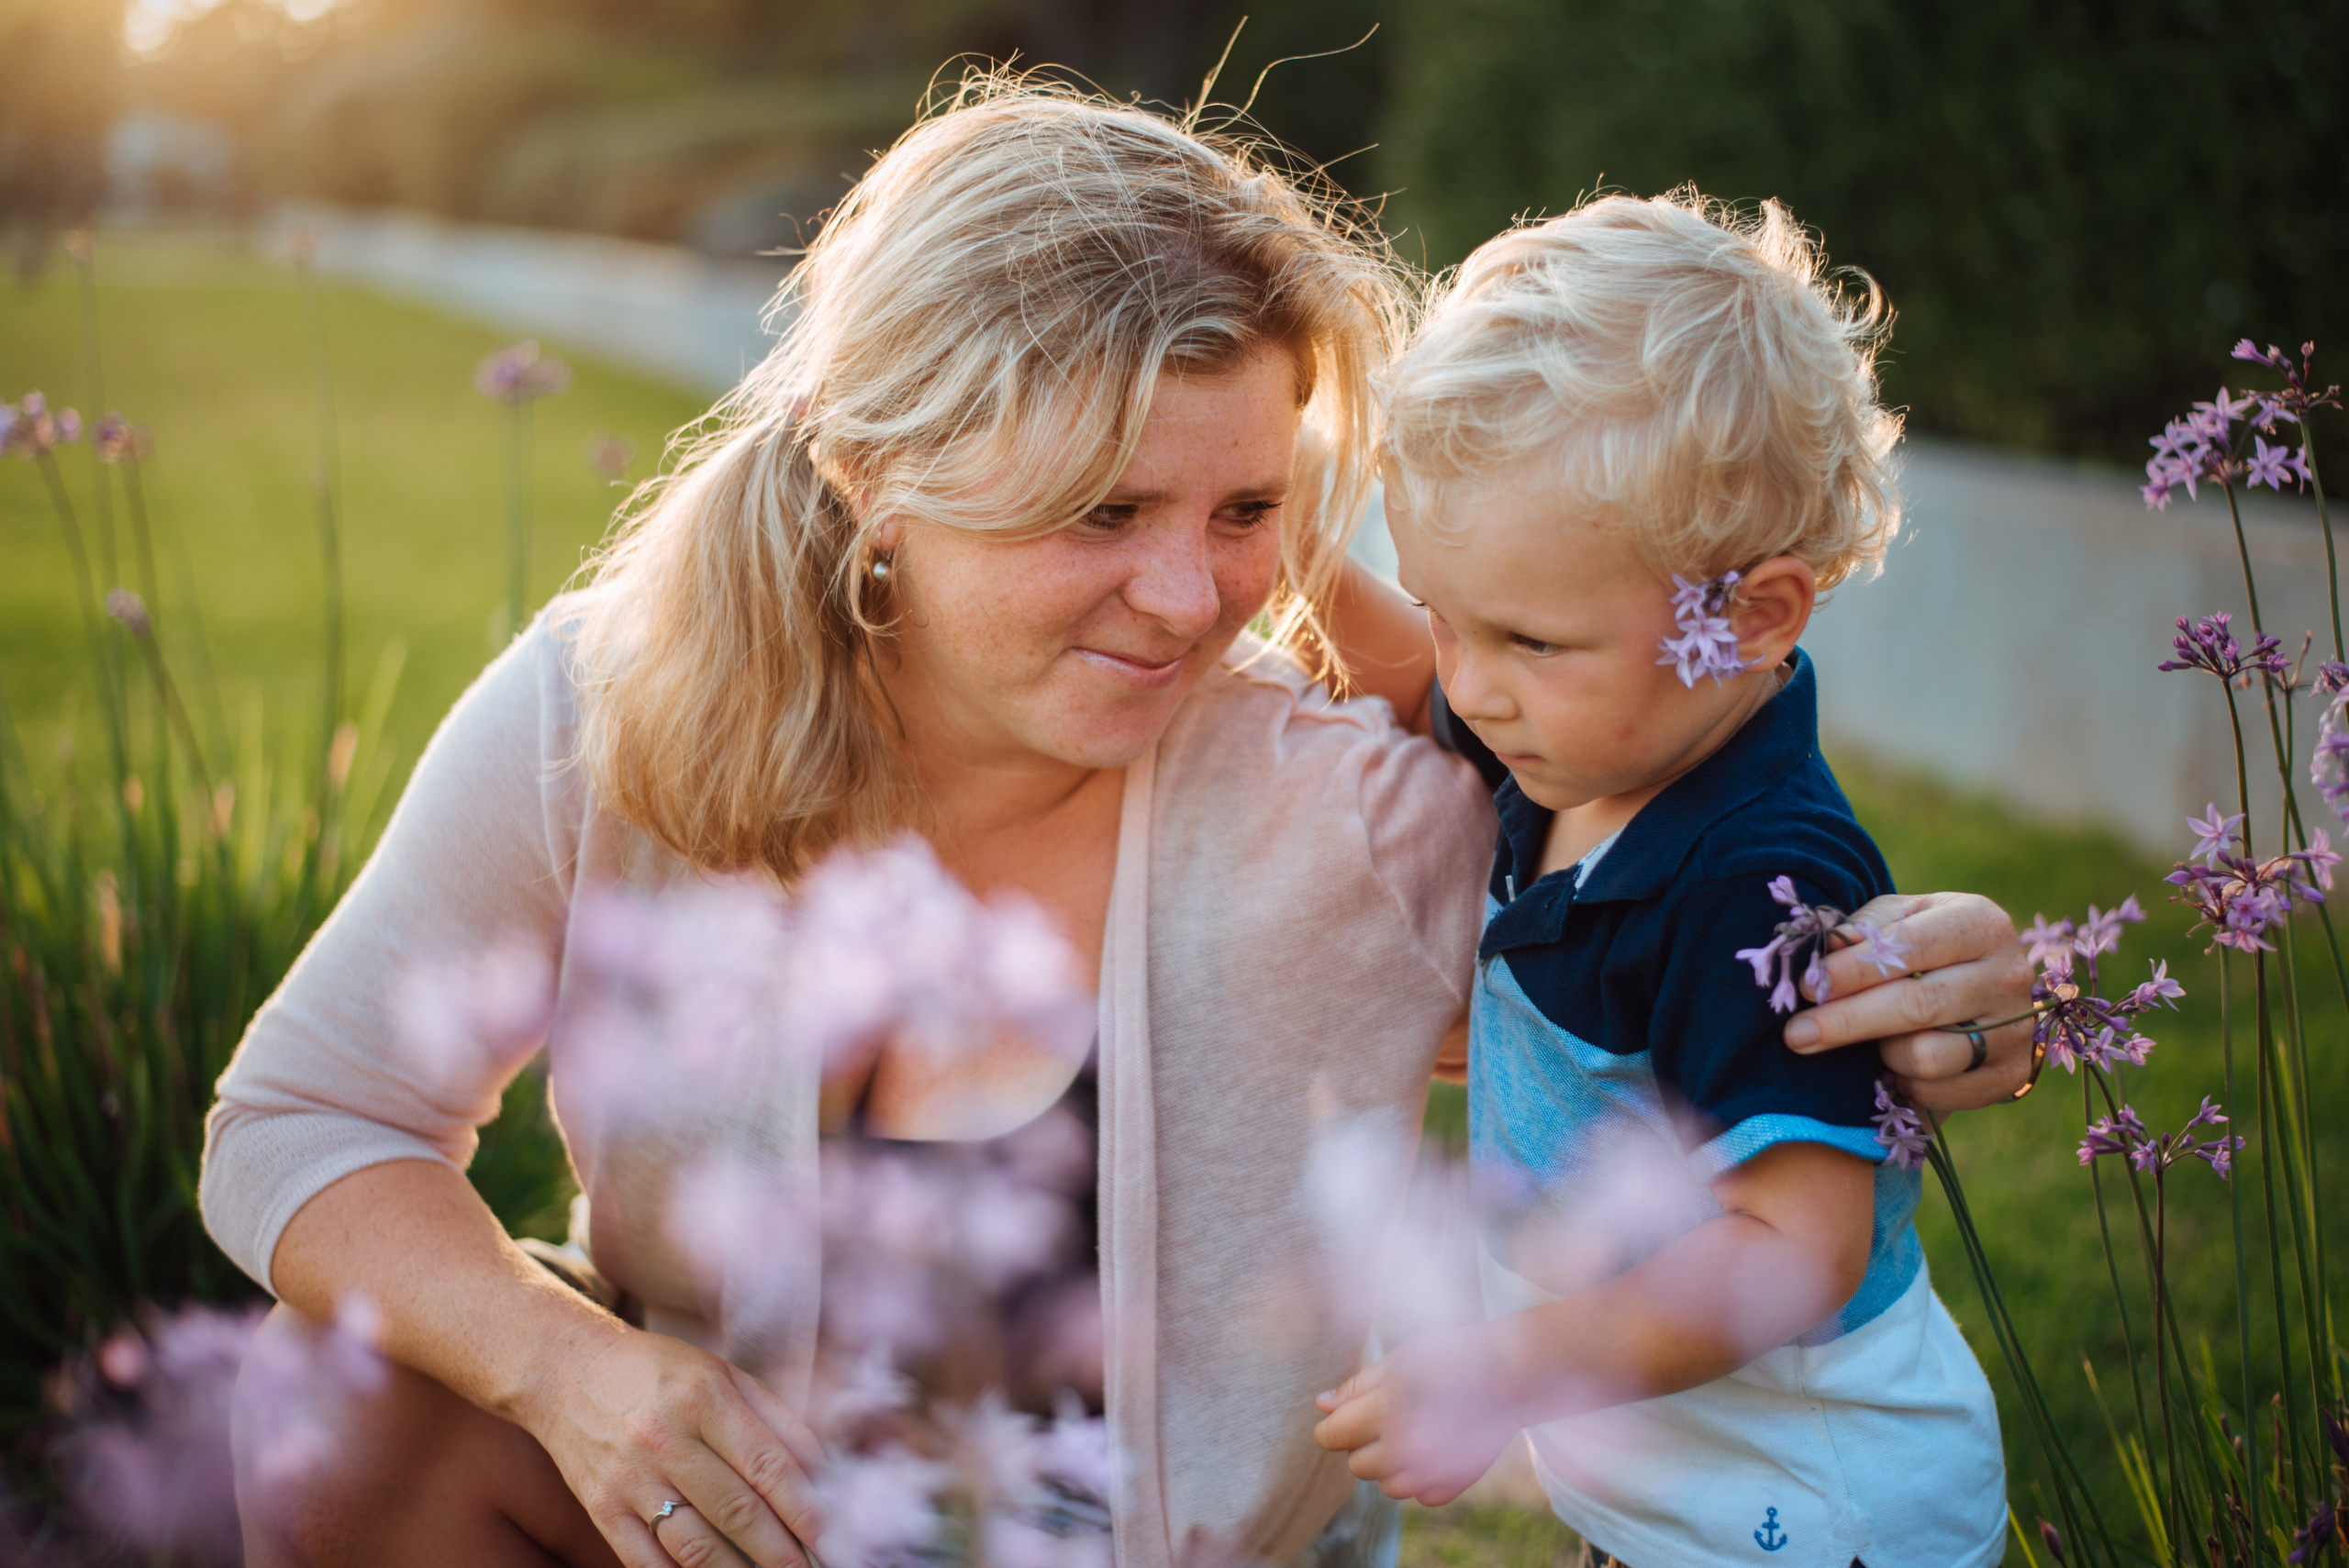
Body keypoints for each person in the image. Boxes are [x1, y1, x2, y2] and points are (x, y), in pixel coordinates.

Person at [201, 83, 2038, 1568]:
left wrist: (1915, 985)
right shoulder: (598, 711)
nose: (1189, 599)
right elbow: (301, 1120)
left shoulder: (1367, 794)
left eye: (1249, 509)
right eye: (1099, 511)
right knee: (350, 1402)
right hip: (751, 1529)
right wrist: (567, 1370)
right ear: (871, 471)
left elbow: (1678, 881)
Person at [1310, 194, 2008, 1567]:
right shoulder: (1587, 735)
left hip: (1811, 1514)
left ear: (1752, 616)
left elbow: (1791, 1245)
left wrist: (1510, 1367)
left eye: (1527, 638)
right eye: (1448, 612)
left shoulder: (1751, 879)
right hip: (1683, 1497)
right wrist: (1269, 529)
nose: (1465, 682)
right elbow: (1403, 663)